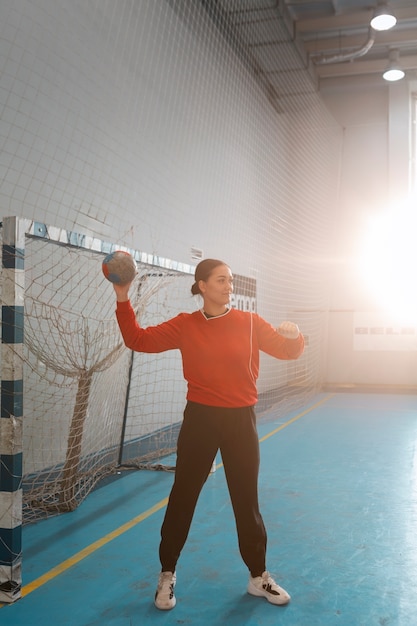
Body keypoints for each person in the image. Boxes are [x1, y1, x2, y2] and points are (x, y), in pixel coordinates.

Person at [113, 258, 304, 610]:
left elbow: (287, 351)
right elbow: (136, 339)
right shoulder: (186, 325)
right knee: (183, 496)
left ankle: (258, 577)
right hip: (200, 420)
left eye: (230, 280)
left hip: (240, 421)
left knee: (246, 501)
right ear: (202, 285)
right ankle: (167, 575)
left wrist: (295, 335)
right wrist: (123, 296)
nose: (229, 286)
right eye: (220, 280)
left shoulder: (249, 323)